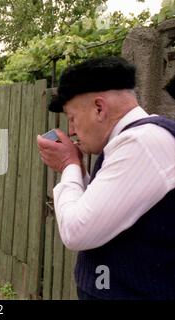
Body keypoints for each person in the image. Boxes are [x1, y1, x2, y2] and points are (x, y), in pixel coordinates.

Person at [37, 56, 175, 300]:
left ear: (99, 108)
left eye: (72, 118)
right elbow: (103, 212)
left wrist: (68, 164)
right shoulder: (129, 142)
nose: (70, 131)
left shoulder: (141, 143)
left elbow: (76, 230)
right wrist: (78, 168)